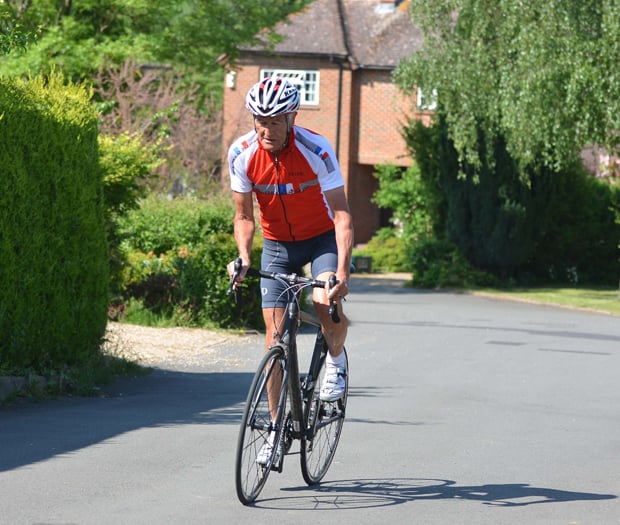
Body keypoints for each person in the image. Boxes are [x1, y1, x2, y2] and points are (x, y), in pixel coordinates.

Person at [227, 77, 353, 462]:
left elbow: (343, 215)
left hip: (321, 241)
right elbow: (243, 215)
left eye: (276, 121)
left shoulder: (317, 149)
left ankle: (336, 358)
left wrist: (341, 274)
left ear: (292, 118)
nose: (266, 129)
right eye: (260, 120)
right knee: (274, 337)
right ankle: (276, 428)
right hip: (278, 246)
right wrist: (244, 257)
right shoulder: (243, 153)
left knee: (321, 298)